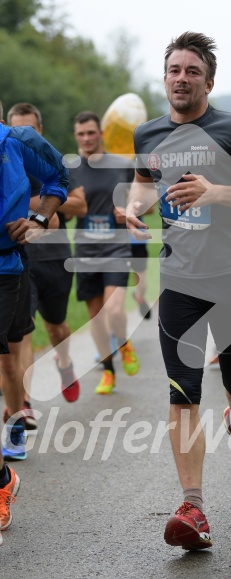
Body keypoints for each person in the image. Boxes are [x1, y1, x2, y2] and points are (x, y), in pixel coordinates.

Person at [126, 32, 231, 551]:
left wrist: (216, 191)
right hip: (178, 278)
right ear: (165, 77)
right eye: (174, 69)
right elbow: (145, 180)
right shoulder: (147, 134)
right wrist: (136, 206)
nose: (181, 77)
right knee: (181, 391)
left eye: (192, 71)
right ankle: (193, 506)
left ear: (208, 81)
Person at [5, 103, 87, 415]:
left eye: (28, 129)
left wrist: (36, 203)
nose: (22, 135)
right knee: (23, 331)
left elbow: (78, 206)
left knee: (56, 328)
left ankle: (64, 361)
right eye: (16, 129)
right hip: (19, 259)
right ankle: (22, 404)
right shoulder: (6, 164)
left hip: (54, 255)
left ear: (39, 131)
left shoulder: (53, 163)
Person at [0, 99, 68, 462]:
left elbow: (61, 183)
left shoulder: (17, 146)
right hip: (20, 264)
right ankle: (17, 415)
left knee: (20, 348)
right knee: (13, 353)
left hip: (16, 264)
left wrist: (37, 219)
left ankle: (12, 427)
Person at [70, 111, 140, 395]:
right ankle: (109, 371)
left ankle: (124, 342)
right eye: (81, 134)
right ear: (76, 137)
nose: (87, 138)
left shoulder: (121, 166)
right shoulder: (71, 170)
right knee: (96, 318)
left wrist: (129, 211)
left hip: (116, 246)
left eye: (91, 133)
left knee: (113, 310)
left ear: (101, 134)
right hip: (85, 248)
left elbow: (141, 201)